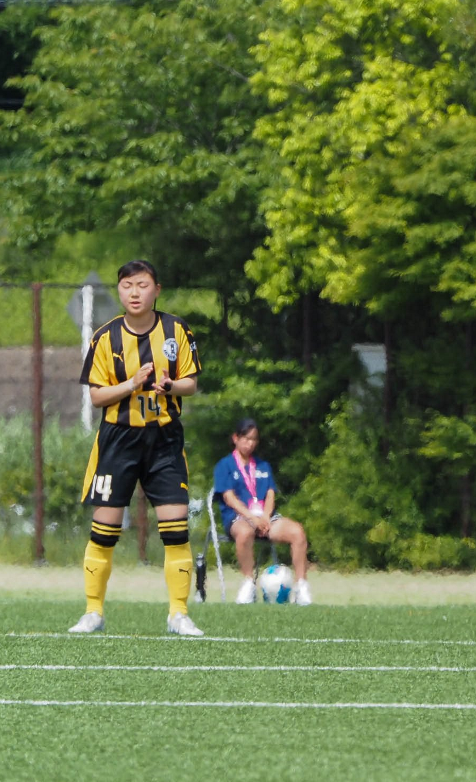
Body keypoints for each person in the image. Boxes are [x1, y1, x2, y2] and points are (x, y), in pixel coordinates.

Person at [69, 260, 204, 636]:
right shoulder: (105, 337)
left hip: (164, 439)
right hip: (119, 439)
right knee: (104, 529)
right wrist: (132, 384)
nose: (134, 292)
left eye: (142, 285)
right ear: (119, 291)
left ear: (156, 289)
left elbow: (190, 383)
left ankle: (179, 614)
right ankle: (93, 612)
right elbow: (96, 397)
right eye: (127, 285)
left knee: (175, 527)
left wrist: (169, 387)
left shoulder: (177, 330)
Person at [213, 418, 312, 606]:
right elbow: (229, 498)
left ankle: (301, 585)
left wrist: (265, 517)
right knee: (244, 532)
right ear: (236, 438)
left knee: (297, 531)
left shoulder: (262, 465)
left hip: (266, 518)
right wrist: (252, 518)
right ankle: (249, 583)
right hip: (239, 517)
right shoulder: (224, 465)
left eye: (254, 440)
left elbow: (270, 493)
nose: (250, 444)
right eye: (246, 439)